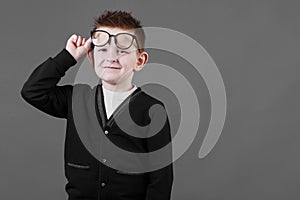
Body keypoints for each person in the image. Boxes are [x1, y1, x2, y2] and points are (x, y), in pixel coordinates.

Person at [20, 10, 173, 200]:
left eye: (122, 50)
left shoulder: (152, 110)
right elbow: (32, 91)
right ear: (91, 57)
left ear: (140, 61)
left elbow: (161, 180)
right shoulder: (76, 98)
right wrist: (68, 56)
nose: (111, 57)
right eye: (102, 49)